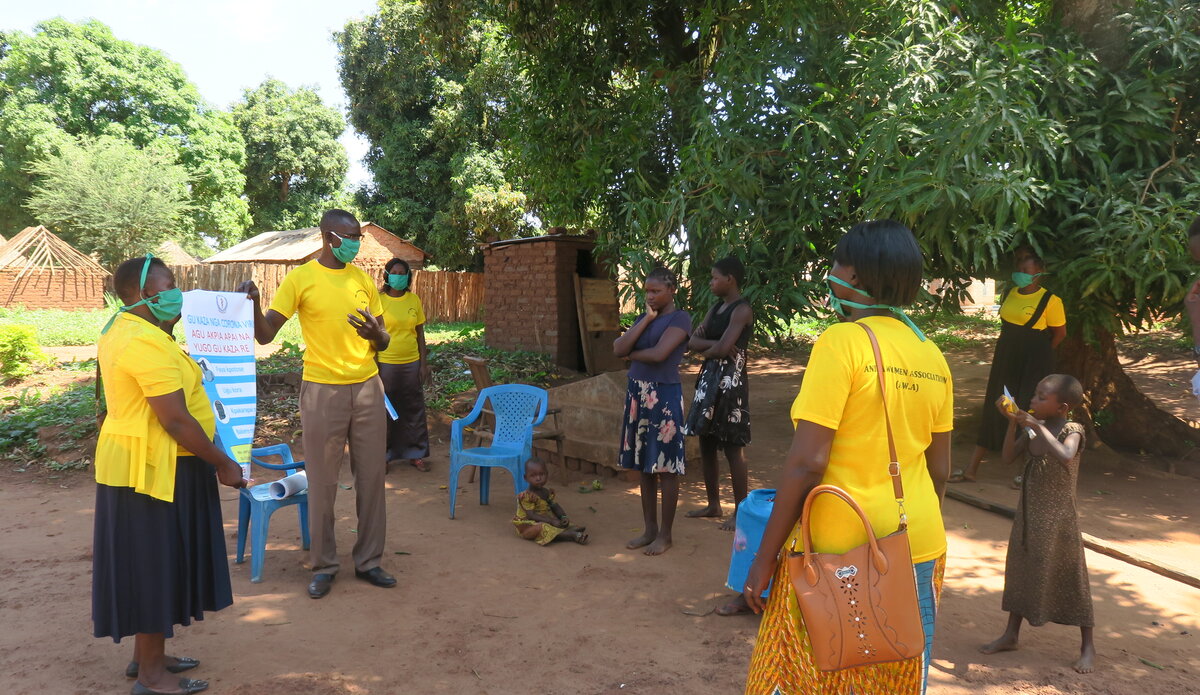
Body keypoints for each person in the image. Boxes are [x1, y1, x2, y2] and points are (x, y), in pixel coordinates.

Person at [743, 220, 953, 695]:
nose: (831, 274)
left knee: (802, 673)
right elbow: (939, 470)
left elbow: (807, 463)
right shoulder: (932, 354)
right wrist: (906, 524)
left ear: (854, 276)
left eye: (836, 264)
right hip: (916, 544)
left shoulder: (842, 343)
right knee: (896, 674)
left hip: (838, 549)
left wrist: (764, 557)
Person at [93, 255, 246, 695]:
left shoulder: (133, 330)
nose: (177, 291)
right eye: (171, 283)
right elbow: (175, 420)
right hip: (151, 470)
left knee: (154, 563)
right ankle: (151, 677)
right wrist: (222, 462)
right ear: (143, 294)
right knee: (153, 566)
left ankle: (148, 657)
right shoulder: (143, 342)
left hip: (152, 464)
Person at [238, 209, 395, 599]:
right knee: (322, 482)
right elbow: (265, 335)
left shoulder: (362, 280)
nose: (357, 243)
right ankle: (324, 564)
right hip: (322, 391)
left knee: (373, 478)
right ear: (330, 237)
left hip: (368, 388)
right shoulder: (301, 278)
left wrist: (379, 335)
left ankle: (369, 561)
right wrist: (254, 305)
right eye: (351, 236)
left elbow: (384, 340)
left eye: (359, 236)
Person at [979, 374, 1095, 674]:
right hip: (1029, 514)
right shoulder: (1033, 430)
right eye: (1034, 394)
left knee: (1071, 576)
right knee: (1021, 568)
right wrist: (1013, 424)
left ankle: (1087, 646)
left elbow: (1066, 456)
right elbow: (1006, 458)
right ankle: (1011, 634)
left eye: (1042, 397)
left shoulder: (1073, 430)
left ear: (1062, 407)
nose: (1033, 400)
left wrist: (1035, 426)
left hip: (1059, 519)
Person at [953, 252, 1066, 483]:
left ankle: (1025, 472)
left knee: (1029, 408)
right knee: (997, 403)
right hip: (1006, 356)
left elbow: (1059, 334)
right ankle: (971, 469)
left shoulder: (1051, 301)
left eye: (1026, 271)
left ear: (1039, 274)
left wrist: (1040, 356)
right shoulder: (1010, 293)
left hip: (1035, 360)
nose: (1020, 275)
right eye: (1019, 270)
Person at [613, 266, 692, 556]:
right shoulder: (643, 318)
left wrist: (631, 355)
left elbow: (660, 355)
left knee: (666, 467)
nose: (651, 296)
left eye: (656, 291)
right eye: (647, 291)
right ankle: (648, 530)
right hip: (638, 393)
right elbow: (617, 347)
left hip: (663, 396)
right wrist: (646, 320)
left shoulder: (680, 318)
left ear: (672, 290)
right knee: (644, 465)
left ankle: (665, 535)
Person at [683, 255, 754, 533]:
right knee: (707, 441)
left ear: (730, 279)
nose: (711, 282)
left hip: (731, 382)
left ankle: (740, 511)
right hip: (709, 378)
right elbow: (692, 342)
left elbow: (723, 350)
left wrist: (709, 347)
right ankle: (713, 504)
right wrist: (713, 345)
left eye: (714, 278)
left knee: (733, 447)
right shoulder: (716, 308)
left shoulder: (742, 310)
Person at [377, 257, 432, 472]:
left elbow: (420, 335)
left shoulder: (413, 301)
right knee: (386, 410)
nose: (399, 277)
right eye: (395, 272)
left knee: (413, 409)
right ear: (387, 275)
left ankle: (416, 454)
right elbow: (373, 336)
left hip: (411, 363)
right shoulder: (379, 301)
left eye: (403, 273)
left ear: (408, 277)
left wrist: (423, 364)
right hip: (386, 364)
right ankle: (385, 456)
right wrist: (375, 366)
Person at [512, 459, 590, 545]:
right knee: (543, 528)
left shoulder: (546, 492)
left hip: (545, 519)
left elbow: (555, 506)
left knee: (562, 523)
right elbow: (532, 515)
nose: (538, 478)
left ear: (547, 475)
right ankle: (571, 535)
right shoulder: (527, 496)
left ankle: (568, 530)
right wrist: (551, 521)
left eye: (541, 474)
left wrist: (563, 517)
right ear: (526, 478)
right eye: (533, 476)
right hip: (528, 527)